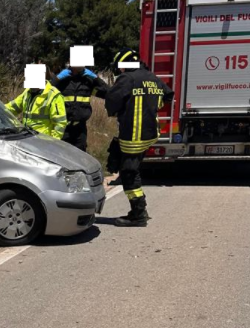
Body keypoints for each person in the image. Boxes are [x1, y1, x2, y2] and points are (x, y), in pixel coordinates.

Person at [104, 49, 174, 227]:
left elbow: (111, 100)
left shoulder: (127, 79)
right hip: (149, 133)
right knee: (128, 167)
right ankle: (139, 209)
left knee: (128, 173)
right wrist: (152, 103)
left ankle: (138, 213)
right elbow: (168, 94)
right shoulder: (151, 76)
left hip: (134, 135)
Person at [52, 62, 109, 151]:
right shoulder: (62, 80)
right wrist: (57, 78)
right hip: (62, 128)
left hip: (80, 130)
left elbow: (108, 93)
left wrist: (96, 78)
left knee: (80, 160)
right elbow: (45, 92)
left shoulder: (88, 81)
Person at [5, 72, 67, 138]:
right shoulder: (27, 92)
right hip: (26, 137)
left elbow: (60, 123)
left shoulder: (54, 95)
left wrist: (53, 142)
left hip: (43, 140)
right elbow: (12, 107)